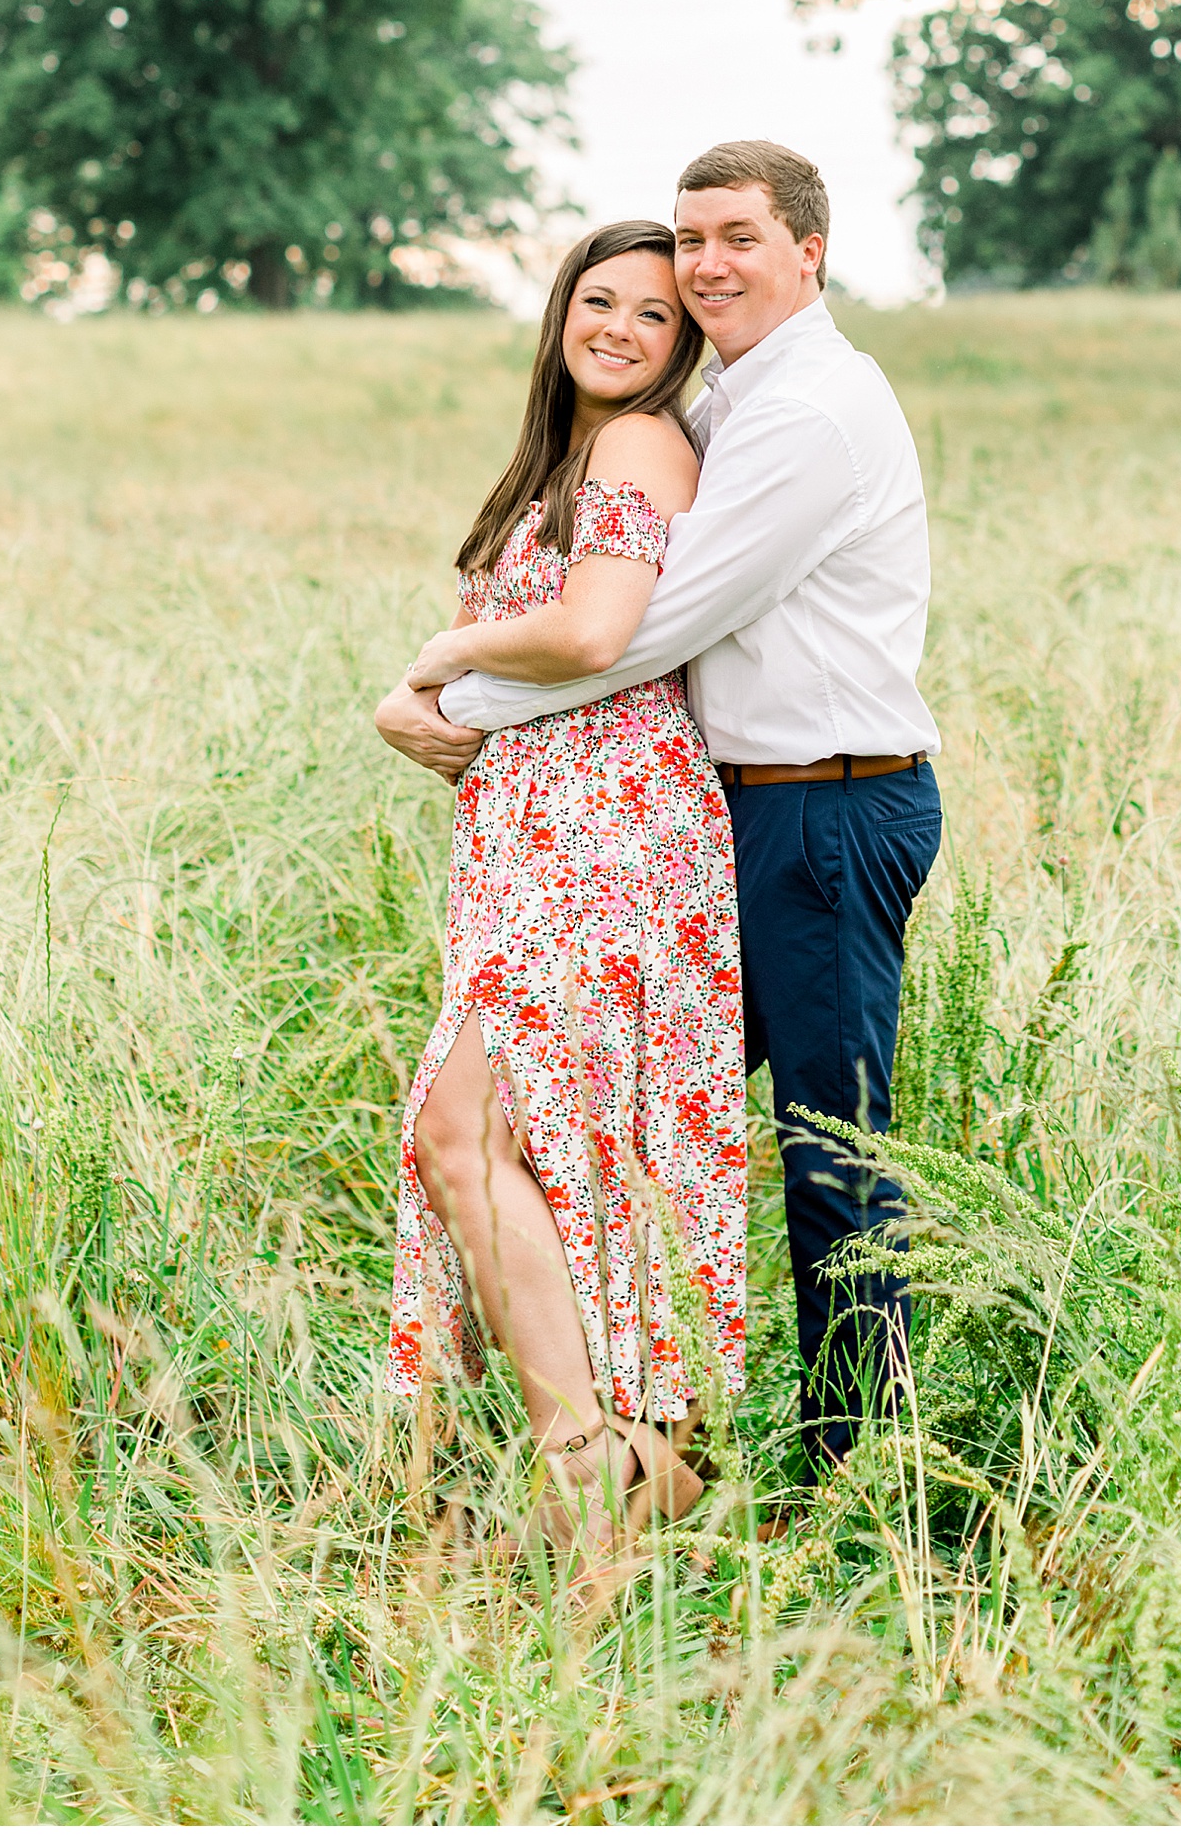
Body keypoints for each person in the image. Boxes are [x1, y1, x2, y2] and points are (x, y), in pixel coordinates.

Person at [378, 143, 942, 1484]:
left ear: (811, 247)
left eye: (737, 236)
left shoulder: (809, 412)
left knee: (829, 1151)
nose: (705, 266)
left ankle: (864, 1472)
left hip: (827, 811)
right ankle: (652, 1442)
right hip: (711, 816)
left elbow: (651, 621)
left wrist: (448, 692)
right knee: (623, 1116)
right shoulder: (730, 404)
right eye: (693, 239)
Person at [377, 219, 745, 1564]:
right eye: (602, 301)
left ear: (679, 347)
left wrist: (440, 647)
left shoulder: (642, 444)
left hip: (609, 831)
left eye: (657, 318)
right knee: (502, 1142)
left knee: (462, 1131)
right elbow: (508, 675)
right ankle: (616, 1464)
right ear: (560, 309)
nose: (624, 331)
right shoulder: (563, 458)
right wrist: (411, 699)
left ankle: (594, 1460)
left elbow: (593, 632)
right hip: (534, 830)